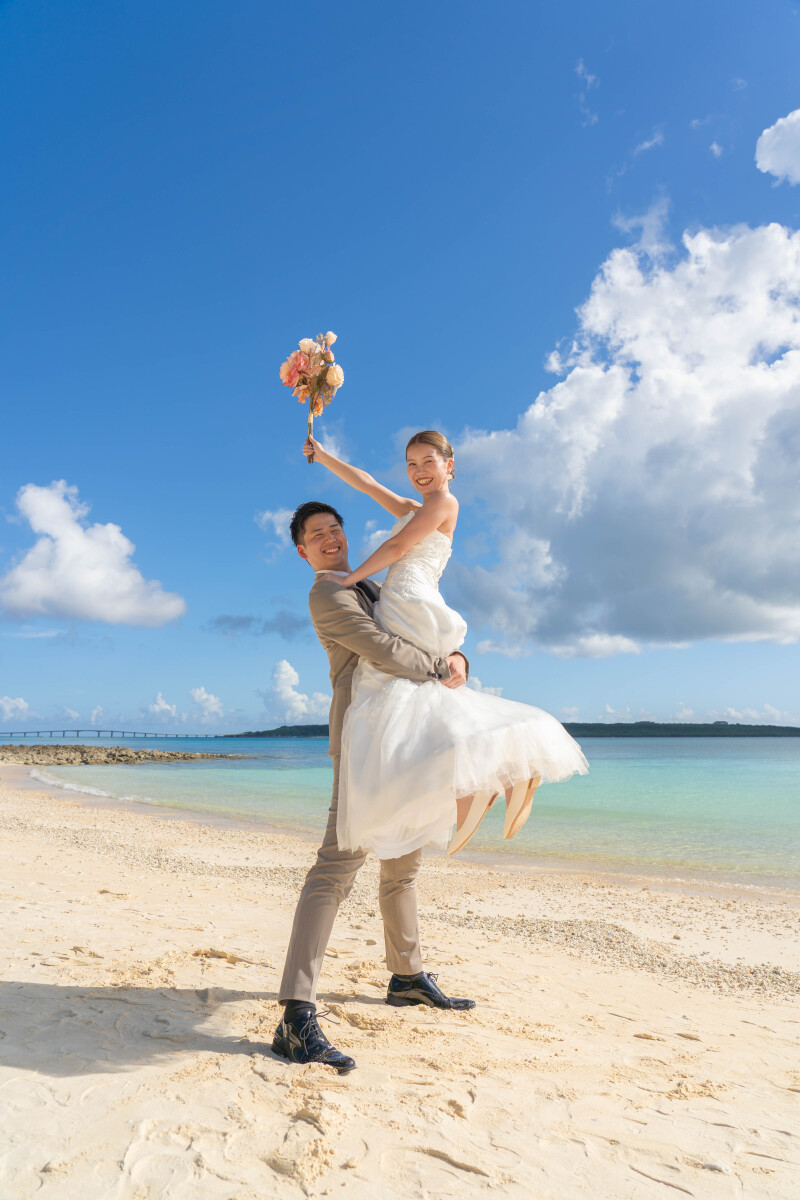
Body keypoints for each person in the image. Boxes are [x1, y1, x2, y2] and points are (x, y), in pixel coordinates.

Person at [308, 430, 589, 860]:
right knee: (421, 706)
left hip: (410, 599)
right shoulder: (411, 508)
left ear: (449, 466)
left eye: (428, 462)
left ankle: (487, 781)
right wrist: (325, 457)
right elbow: (366, 483)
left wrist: (347, 578)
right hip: (399, 598)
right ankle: (489, 783)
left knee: (411, 695)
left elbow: (399, 545)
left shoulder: (444, 503)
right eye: (411, 465)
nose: (419, 472)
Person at [273, 499, 476, 1076]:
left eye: (335, 529)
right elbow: (384, 649)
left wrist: (458, 654)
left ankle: (406, 975)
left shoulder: (370, 584)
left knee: (404, 860)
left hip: (403, 733)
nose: (330, 538)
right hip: (363, 743)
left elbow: (420, 620)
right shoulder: (329, 595)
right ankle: (294, 1013)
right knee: (335, 869)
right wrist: (439, 668)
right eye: (317, 535)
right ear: (302, 551)